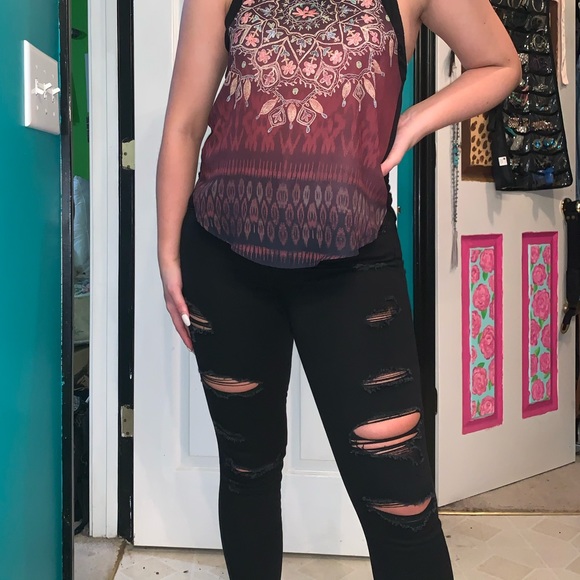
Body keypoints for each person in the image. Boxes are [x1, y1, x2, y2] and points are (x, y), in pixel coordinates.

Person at [156, 0, 520, 577]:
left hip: (354, 266)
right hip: (223, 261)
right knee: (248, 471)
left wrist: (413, 121)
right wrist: (168, 251)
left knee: (401, 501)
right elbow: (184, 122)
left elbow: (500, 63)